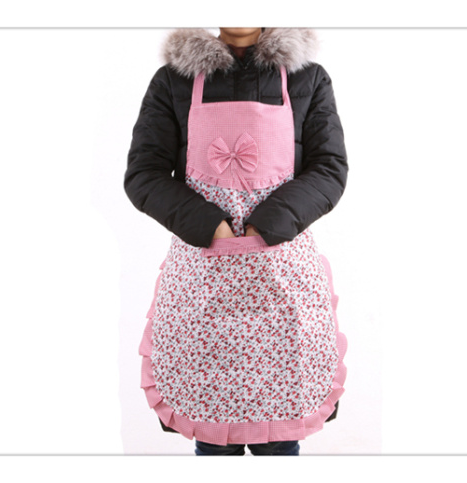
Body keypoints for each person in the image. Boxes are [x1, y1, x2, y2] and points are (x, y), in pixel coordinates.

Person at [124, 27, 348, 456]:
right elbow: (144, 174)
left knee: (279, 439)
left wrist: (268, 225)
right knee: (214, 440)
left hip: (283, 282)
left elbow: (329, 168)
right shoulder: (174, 79)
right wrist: (212, 226)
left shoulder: (307, 77)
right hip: (204, 282)